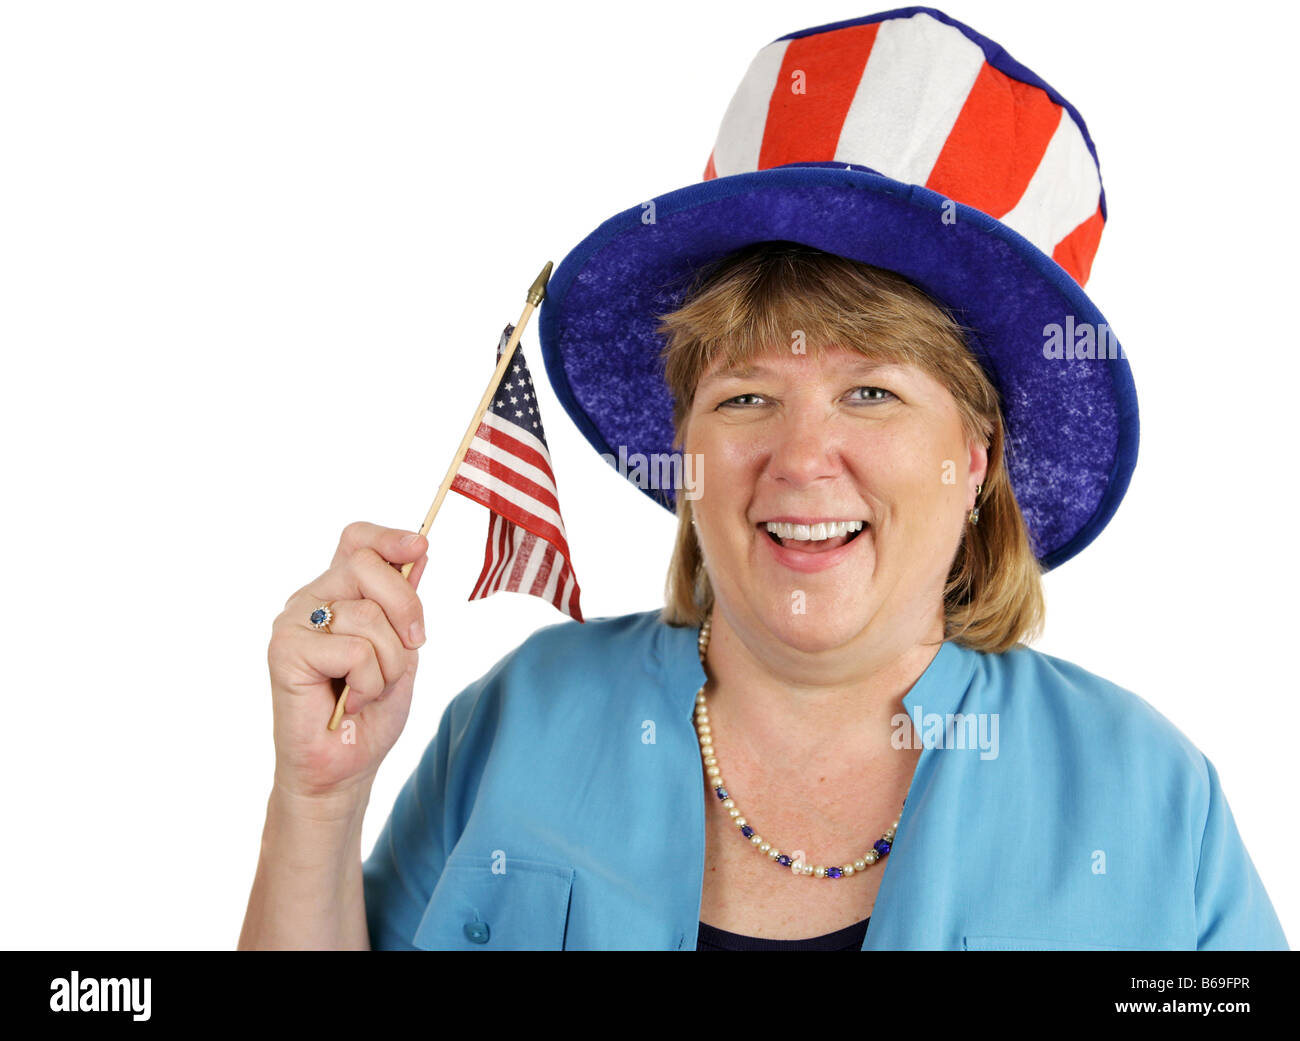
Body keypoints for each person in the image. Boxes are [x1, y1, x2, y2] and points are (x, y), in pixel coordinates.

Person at [239, 8, 1289, 951]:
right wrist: (318, 801)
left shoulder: (1151, 802)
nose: (797, 458)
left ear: (974, 460)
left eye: (870, 393)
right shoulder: (518, 718)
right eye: (744, 396)